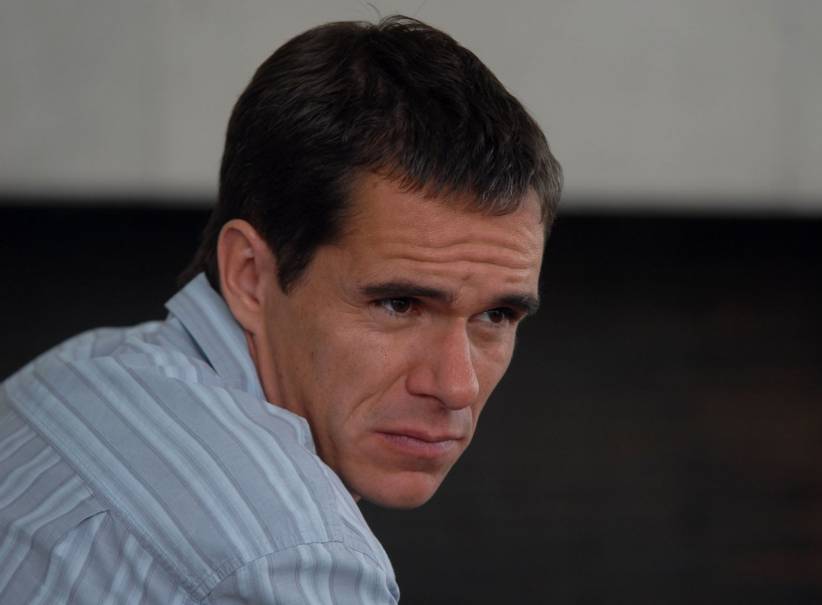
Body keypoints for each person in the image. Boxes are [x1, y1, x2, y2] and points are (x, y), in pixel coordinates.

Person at [0, 15, 561, 604]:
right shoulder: (295, 561)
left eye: (497, 317)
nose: (456, 386)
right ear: (249, 275)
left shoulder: (65, 379)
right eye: (399, 304)